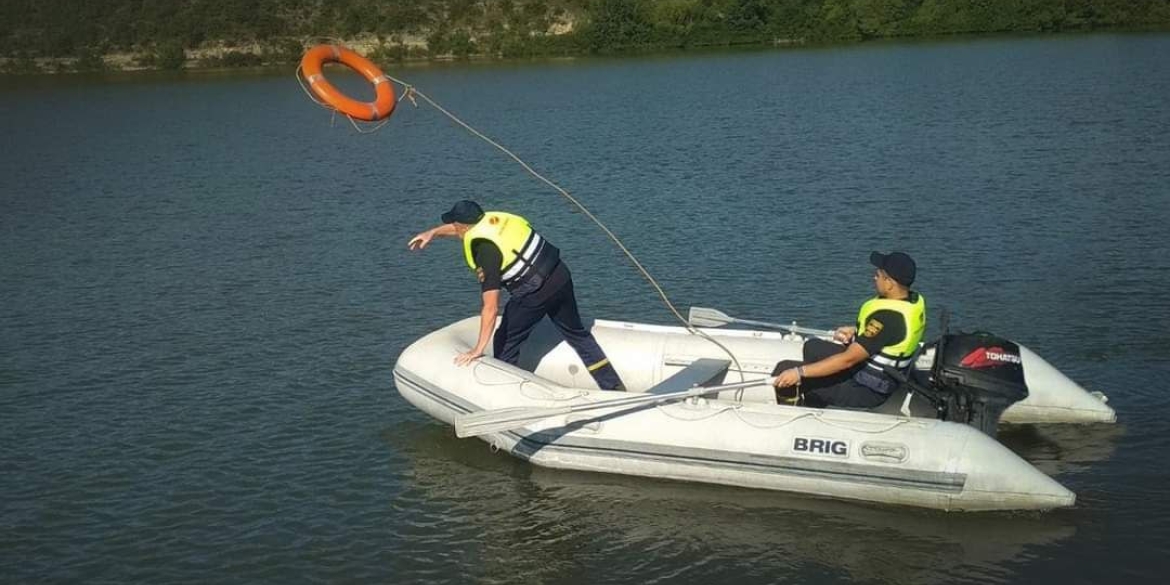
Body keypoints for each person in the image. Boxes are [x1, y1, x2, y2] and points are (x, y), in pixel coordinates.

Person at [407, 200, 625, 391]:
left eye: (454, 224)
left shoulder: (485, 250)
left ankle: (504, 391)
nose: (453, 229)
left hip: (534, 292)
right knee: (577, 334)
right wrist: (433, 233)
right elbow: (459, 229)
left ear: (462, 226)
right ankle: (613, 385)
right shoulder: (494, 220)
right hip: (560, 276)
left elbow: (491, 306)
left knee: (505, 340)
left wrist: (478, 348)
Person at [772, 251, 926, 409]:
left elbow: (848, 360)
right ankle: (816, 402)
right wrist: (856, 331)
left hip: (867, 388)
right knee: (812, 347)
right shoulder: (910, 301)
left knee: (782, 371)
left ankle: (799, 417)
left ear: (889, 283)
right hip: (868, 371)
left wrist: (799, 372)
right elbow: (888, 336)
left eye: (878, 274)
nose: (874, 278)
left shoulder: (888, 318)